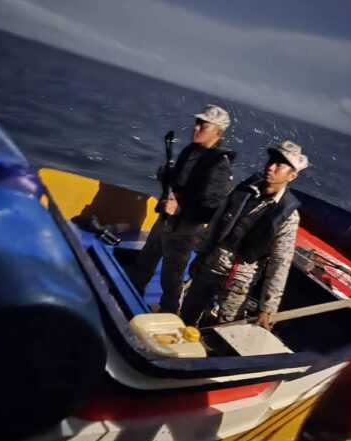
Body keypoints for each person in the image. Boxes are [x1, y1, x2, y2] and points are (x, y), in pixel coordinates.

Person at [180, 140, 309, 330]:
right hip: (212, 263)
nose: (271, 167)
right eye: (271, 161)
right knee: (187, 314)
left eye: (279, 165)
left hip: (239, 278)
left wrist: (267, 309)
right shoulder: (245, 190)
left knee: (227, 328)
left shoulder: (288, 216)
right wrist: (201, 255)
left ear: (292, 175)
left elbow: (280, 262)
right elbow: (217, 224)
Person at [129, 105, 236, 314]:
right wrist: (167, 176)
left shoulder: (219, 166)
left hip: (184, 231)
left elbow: (211, 210)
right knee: (144, 261)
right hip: (164, 221)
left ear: (218, 132)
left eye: (203, 125)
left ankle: (168, 315)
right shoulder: (191, 150)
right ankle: (128, 297)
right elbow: (179, 183)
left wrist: (178, 209)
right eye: (197, 123)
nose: (196, 128)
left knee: (171, 279)